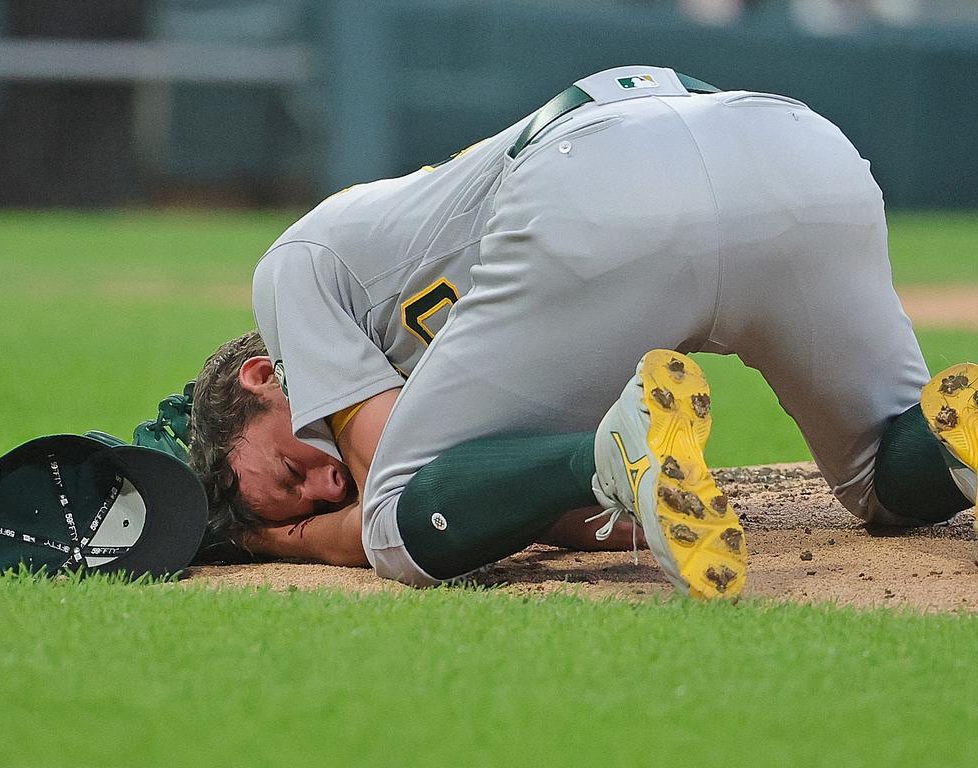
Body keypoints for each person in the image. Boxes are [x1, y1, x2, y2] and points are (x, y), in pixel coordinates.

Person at [188, 65, 977, 599]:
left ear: (263, 374)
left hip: (601, 187)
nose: (325, 485)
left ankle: (608, 455)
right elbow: (591, 525)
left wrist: (277, 540)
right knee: (886, 480)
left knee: (398, 519)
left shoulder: (292, 270)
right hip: (794, 150)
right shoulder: (483, 336)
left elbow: (383, 512)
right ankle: (962, 431)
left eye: (291, 472)